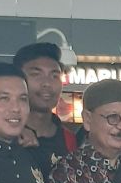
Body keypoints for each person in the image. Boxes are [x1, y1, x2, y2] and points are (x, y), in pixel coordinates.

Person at [12, 42, 77, 170]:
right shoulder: (3, 133)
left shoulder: (70, 140)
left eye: (54, 75)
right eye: (36, 74)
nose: (47, 83)